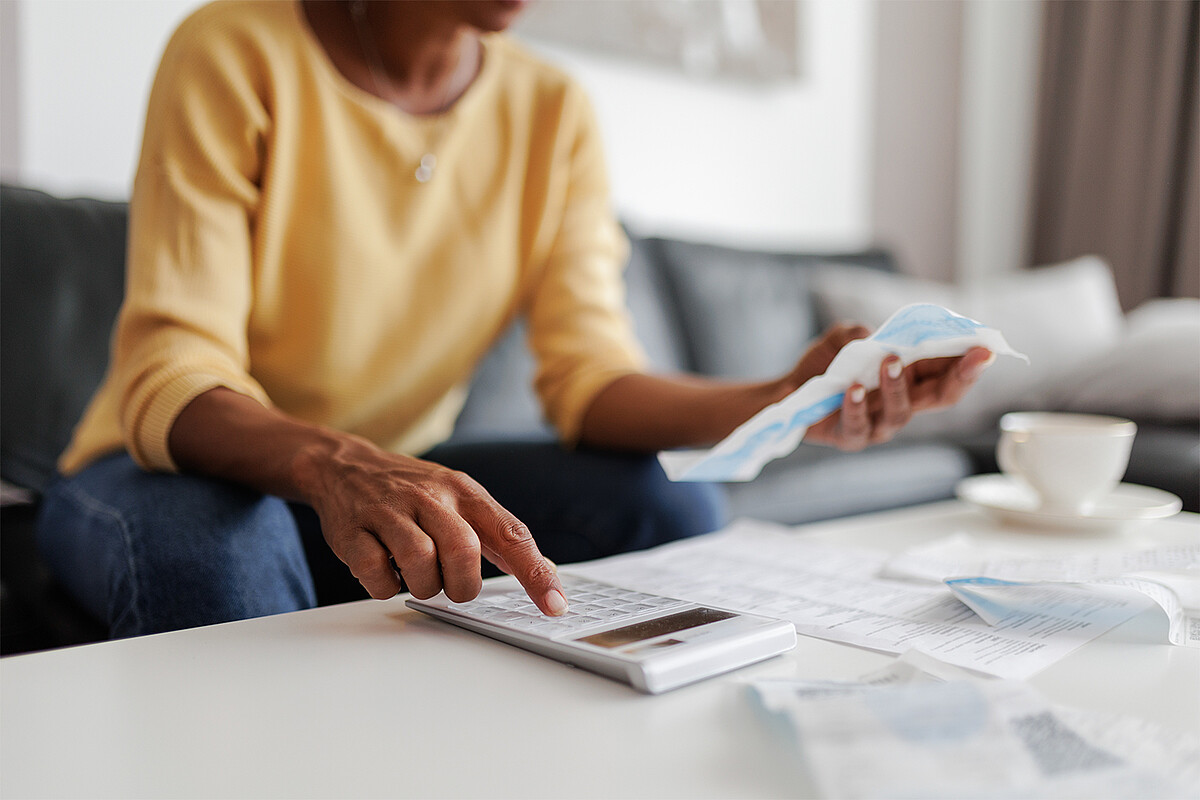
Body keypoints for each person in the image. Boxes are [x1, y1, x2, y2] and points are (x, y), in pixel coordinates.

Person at [36, 0, 991, 639]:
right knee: (225, 550)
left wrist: (781, 399)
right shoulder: (234, 47)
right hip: (171, 462)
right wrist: (336, 462)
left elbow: (589, 380)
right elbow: (175, 369)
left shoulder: (552, 111)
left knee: (673, 503)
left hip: (390, 474)